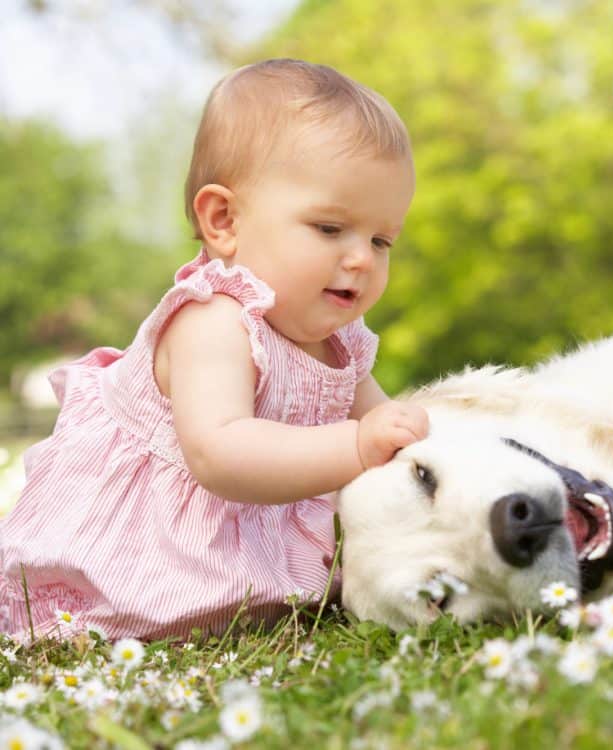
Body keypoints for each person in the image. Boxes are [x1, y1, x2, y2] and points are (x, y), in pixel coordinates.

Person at [0, 59, 429, 641]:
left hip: (245, 557)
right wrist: (358, 445)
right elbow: (221, 452)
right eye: (330, 229)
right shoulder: (212, 320)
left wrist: (409, 436)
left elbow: (384, 422)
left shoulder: (341, 342)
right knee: (104, 616)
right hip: (146, 553)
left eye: (381, 240)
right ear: (223, 220)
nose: (361, 259)